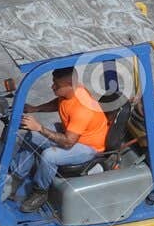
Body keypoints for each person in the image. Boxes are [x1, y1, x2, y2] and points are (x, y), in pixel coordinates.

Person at [7, 67, 110, 212]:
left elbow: (68, 143)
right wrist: (36, 109)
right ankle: (15, 178)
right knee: (31, 136)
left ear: (70, 85)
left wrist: (40, 128)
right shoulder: (71, 93)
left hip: (88, 147)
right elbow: (59, 103)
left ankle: (40, 192)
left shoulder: (83, 109)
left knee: (49, 155)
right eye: (53, 82)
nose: (52, 87)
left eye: (57, 85)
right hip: (73, 133)